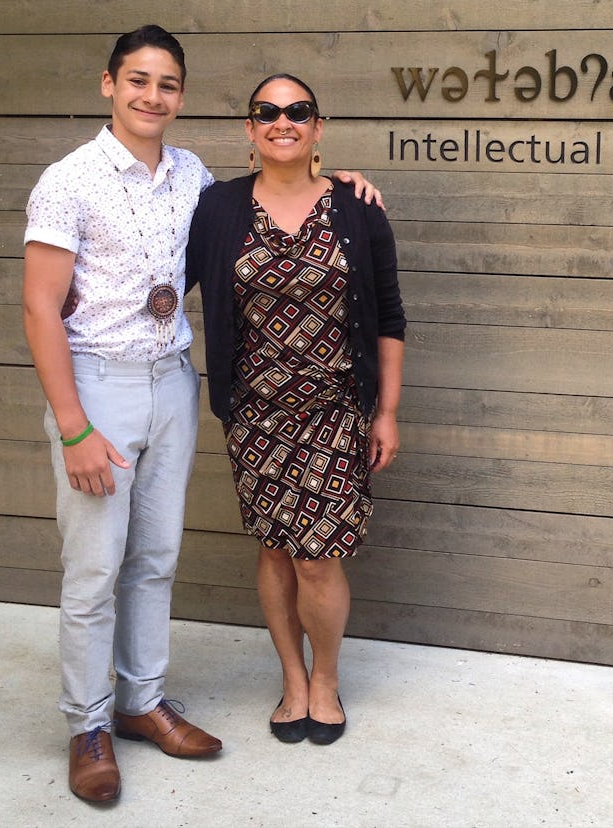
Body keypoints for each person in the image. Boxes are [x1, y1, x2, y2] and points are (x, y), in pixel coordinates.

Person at [22, 26, 382, 802]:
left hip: (173, 383)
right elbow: (39, 309)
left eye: (168, 84)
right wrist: (75, 422)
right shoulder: (68, 180)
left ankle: (143, 702)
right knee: (93, 570)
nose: (153, 96)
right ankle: (88, 724)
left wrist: (336, 180)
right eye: (138, 80)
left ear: (181, 97)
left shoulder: (193, 179)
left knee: (154, 561)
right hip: (100, 385)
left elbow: (274, 197)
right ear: (108, 85)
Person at [185, 74, 406, 746]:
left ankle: (327, 680)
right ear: (249, 131)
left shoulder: (357, 209)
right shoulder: (217, 208)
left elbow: (389, 317)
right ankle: (291, 679)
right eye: (268, 112)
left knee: (319, 555)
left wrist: (387, 411)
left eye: (298, 111)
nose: (283, 121)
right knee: (277, 550)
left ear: (318, 125)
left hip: (335, 408)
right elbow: (159, 273)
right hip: (253, 414)